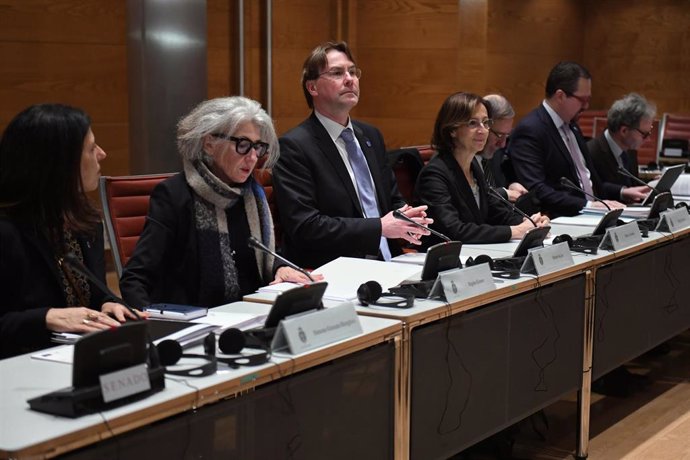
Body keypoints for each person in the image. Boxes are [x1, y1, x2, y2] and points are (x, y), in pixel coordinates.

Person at [120, 96, 317, 309]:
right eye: (243, 145)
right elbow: (135, 279)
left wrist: (278, 267)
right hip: (198, 323)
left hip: (252, 315)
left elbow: (261, 255)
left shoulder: (252, 195)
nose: (252, 157)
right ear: (209, 144)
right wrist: (154, 328)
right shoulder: (174, 196)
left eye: (258, 147)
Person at [272, 41, 430, 268]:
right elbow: (306, 226)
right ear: (312, 88)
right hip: (337, 269)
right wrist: (379, 227)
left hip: (392, 261)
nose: (350, 79)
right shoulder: (294, 147)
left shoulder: (371, 136)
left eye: (353, 72)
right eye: (337, 73)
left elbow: (391, 200)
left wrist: (408, 218)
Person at [0, 104, 137, 358]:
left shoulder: (85, 222)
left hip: (84, 357)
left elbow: (94, 297)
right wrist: (47, 317)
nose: (103, 154)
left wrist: (108, 305)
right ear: (59, 163)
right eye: (91, 148)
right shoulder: (7, 232)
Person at [509, 62, 648, 218]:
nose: (587, 106)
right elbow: (537, 190)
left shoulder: (572, 126)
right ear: (560, 96)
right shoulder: (531, 130)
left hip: (595, 215)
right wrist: (588, 206)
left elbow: (586, 181)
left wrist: (621, 192)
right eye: (583, 100)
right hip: (563, 220)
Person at [415, 92, 550, 246]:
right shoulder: (434, 175)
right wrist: (517, 231)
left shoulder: (474, 167)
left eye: (486, 123)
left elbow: (495, 212)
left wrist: (530, 222)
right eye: (473, 123)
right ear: (452, 129)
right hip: (442, 260)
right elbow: (454, 230)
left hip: (474, 253)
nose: (483, 130)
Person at [588, 93, 656, 189]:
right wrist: (622, 192)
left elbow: (632, 185)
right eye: (644, 134)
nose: (648, 139)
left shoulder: (630, 149)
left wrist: (652, 184)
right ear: (624, 131)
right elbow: (594, 189)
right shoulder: (591, 152)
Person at [476, 94, 528, 203]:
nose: (502, 144)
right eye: (499, 135)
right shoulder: (463, 158)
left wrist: (511, 185)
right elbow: (472, 198)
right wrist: (504, 193)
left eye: (507, 135)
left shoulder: (497, 153)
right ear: (484, 126)